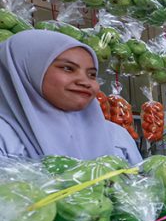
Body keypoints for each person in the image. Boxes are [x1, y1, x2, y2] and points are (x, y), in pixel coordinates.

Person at [0, 29, 141, 164]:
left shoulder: (116, 136)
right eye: (68, 68)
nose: (85, 82)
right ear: (26, 70)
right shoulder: (5, 136)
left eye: (91, 74)